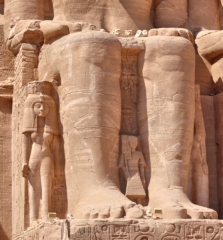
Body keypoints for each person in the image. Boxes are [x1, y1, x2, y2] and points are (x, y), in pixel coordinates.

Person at [22, 81, 59, 225]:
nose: (42, 109)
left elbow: (55, 148)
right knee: (34, 188)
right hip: (33, 157)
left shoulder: (50, 128)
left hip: (47, 157)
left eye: (45, 106)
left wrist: (59, 167)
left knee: (47, 187)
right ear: (32, 108)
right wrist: (24, 162)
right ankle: (33, 219)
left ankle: (47, 217)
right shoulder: (30, 129)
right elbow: (26, 143)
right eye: (38, 106)